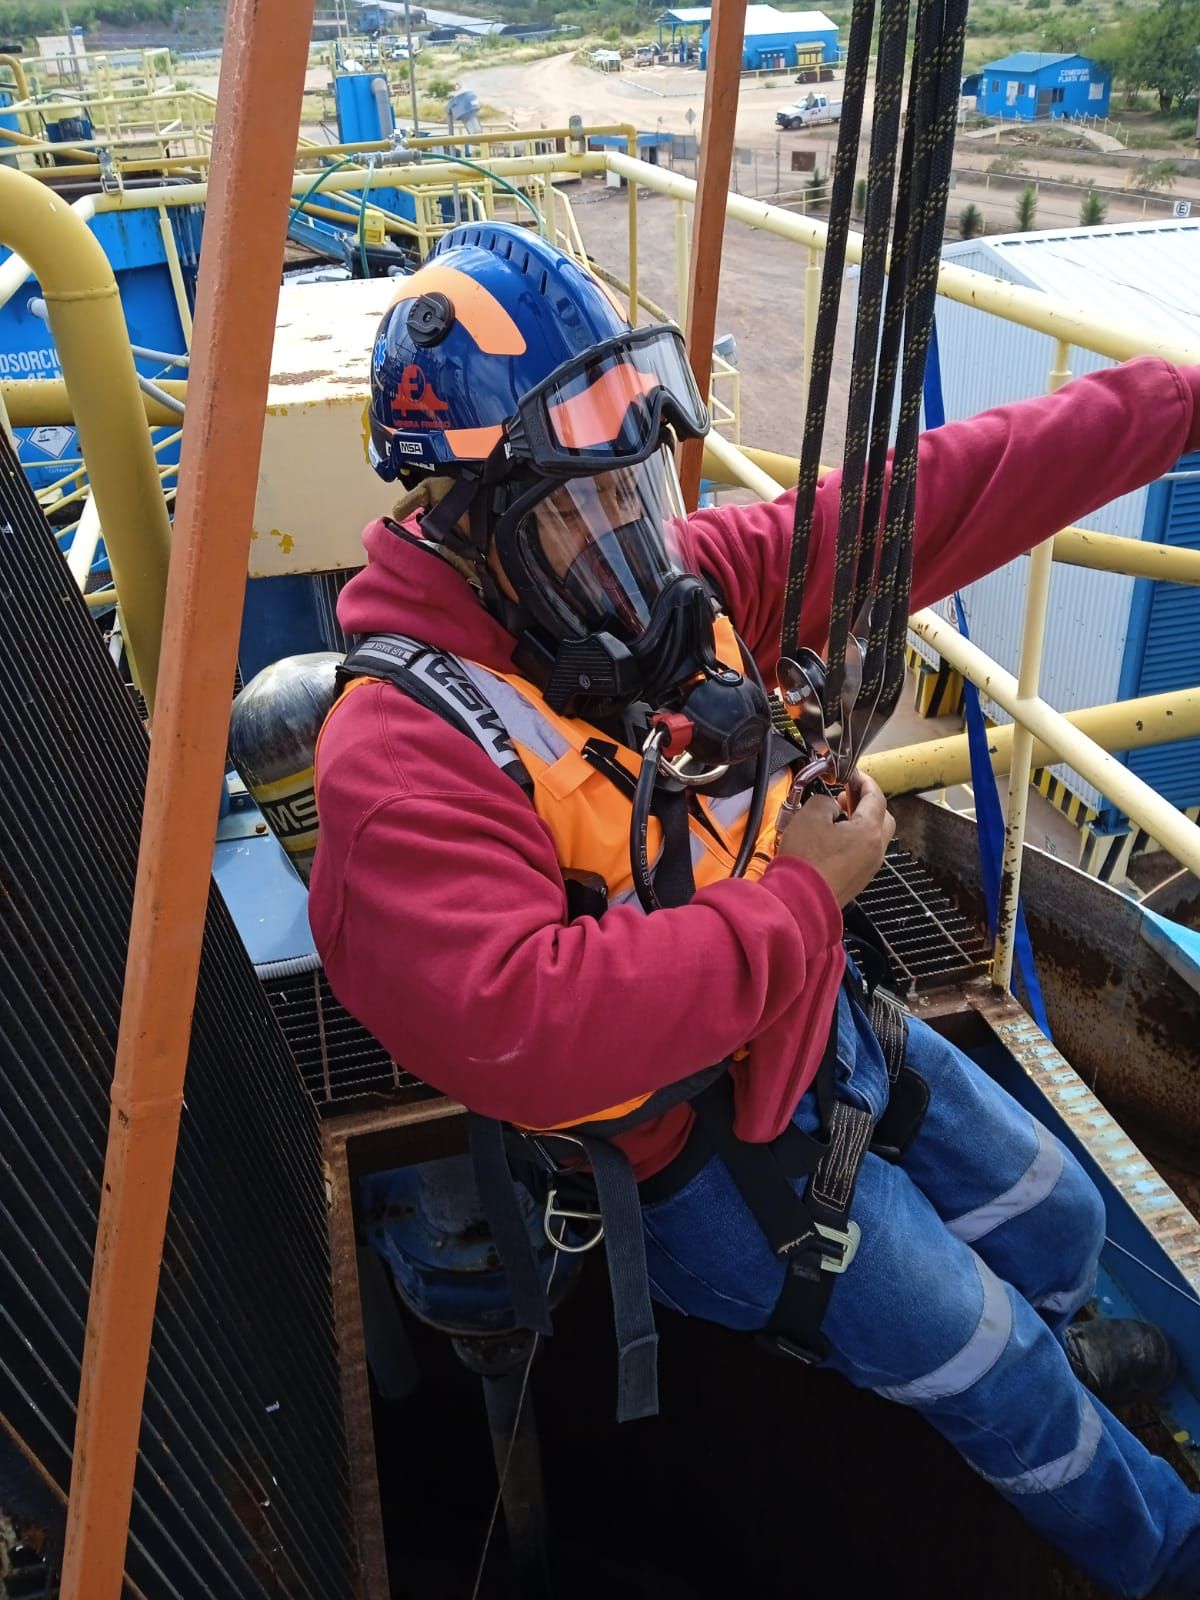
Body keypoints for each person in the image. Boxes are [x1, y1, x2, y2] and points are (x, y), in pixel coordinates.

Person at [309, 221, 1200, 1598]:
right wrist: (800, 899)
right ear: (468, 525)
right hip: (713, 1152)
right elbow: (535, 1026)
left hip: (821, 1030)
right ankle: (1164, 1544)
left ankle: (1086, 1363)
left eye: (636, 496)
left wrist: (1175, 404)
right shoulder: (402, 760)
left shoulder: (668, 594)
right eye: (579, 511)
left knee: (1060, 1222)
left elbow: (938, 494)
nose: (634, 546)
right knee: (996, 1368)